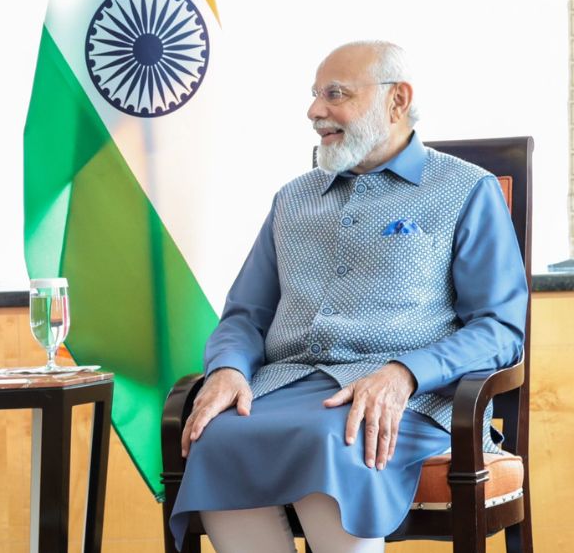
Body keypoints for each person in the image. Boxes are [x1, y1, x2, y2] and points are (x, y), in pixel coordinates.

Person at [168, 41, 528, 552]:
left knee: (335, 438)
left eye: (335, 94)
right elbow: (246, 315)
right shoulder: (291, 199)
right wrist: (227, 368)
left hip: (414, 398)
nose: (314, 111)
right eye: (315, 94)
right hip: (285, 389)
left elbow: (499, 329)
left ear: (397, 100)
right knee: (215, 436)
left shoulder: (467, 190)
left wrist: (405, 373)